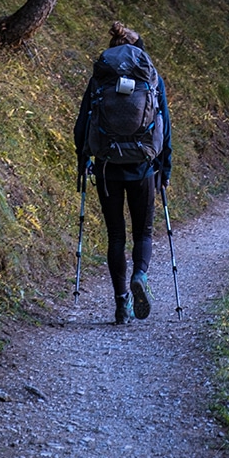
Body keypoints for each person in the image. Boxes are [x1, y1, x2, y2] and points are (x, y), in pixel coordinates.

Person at [74, 21, 172, 324]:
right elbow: (165, 125)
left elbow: (83, 124)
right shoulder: (151, 78)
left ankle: (120, 303)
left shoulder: (100, 79)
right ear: (137, 50)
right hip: (143, 166)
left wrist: (82, 161)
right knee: (142, 231)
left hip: (106, 166)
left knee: (115, 235)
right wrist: (164, 167)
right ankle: (139, 275)